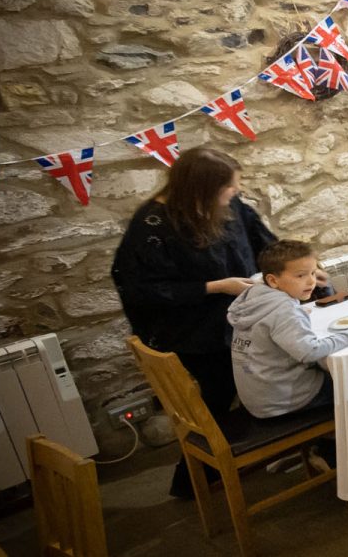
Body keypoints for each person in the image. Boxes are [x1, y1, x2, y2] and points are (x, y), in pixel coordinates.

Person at [112, 148, 282, 498]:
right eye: (228, 188)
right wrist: (216, 286)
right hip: (195, 331)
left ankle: (205, 475)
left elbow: (265, 244)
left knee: (271, 376)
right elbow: (140, 288)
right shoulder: (152, 225)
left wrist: (298, 269)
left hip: (242, 317)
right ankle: (196, 479)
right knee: (219, 399)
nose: (234, 193)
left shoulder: (230, 207)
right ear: (201, 190)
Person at [228, 240, 348, 419]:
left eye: (313, 273)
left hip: (260, 398)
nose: (311, 281)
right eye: (300, 276)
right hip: (284, 401)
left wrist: (295, 312)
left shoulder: (254, 296)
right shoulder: (283, 310)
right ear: (273, 280)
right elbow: (310, 352)